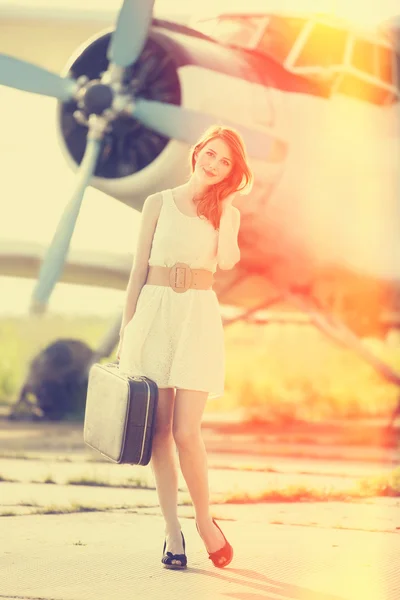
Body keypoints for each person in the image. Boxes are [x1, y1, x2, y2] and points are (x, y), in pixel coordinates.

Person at [117, 125, 253, 570]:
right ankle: (172, 530)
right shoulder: (157, 203)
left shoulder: (225, 212)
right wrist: (126, 334)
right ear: (197, 153)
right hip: (154, 318)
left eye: (225, 162)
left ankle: (204, 520)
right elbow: (138, 271)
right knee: (159, 433)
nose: (214, 165)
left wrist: (228, 209)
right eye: (210, 154)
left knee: (186, 432)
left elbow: (229, 262)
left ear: (232, 172)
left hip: (197, 319)